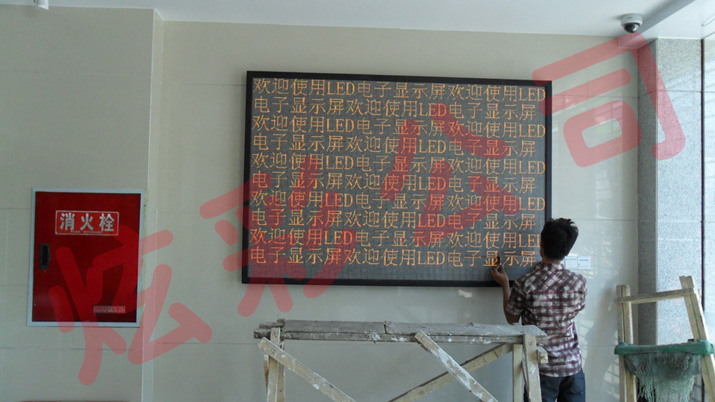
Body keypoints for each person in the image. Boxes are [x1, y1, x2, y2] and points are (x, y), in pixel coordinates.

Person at [491, 218, 587, 402]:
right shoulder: (579, 282)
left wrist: (505, 285)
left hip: (541, 368)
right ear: (567, 251)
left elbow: (511, 318)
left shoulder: (525, 283)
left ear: (541, 246)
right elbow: (578, 308)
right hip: (572, 366)